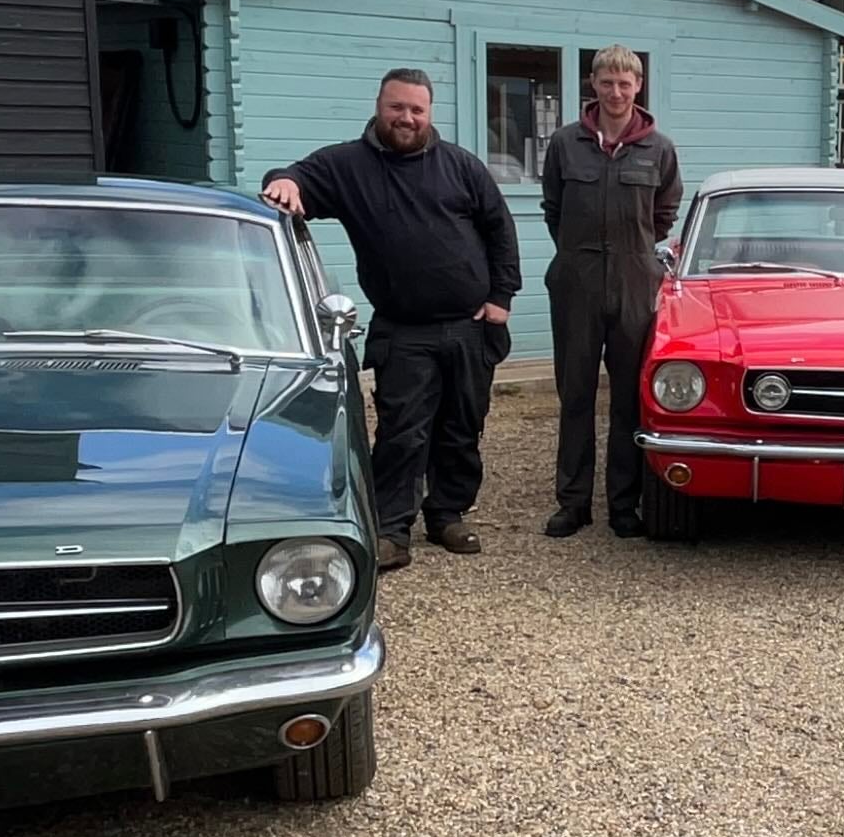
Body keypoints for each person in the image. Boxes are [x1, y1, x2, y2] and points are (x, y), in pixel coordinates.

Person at [262, 69, 521, 570]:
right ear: (380, 106)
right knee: (403, 431)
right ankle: (390, 530)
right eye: (397, 108)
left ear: (429, 114)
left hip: (470, 327)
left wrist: (500, 299)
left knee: (462, 427)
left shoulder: (461, 167)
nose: (406, 118)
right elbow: (293, 177)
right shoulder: (348, 167)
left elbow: (499, 228)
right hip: (404, 331)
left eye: (416, 110)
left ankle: (448, 515)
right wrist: (284, 181)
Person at [538, 46, 683, 538]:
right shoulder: (565, 143)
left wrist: (632, 252)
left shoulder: (658, 149)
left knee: (628, 400)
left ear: (638, 86)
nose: (616, 92)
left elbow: (664, 214)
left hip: (635, 283)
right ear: (593, 85)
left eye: (625, 83)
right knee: (575, 396)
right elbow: (553, 207)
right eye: (606, 83)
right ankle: (573, 502)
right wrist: (579, 255)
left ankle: (624, 504)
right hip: (576, 281)